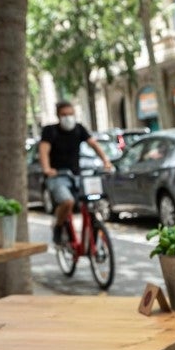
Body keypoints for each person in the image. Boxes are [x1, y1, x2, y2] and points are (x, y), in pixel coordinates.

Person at [39, 101, 113, 245]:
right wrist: (47, 169)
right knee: (68, 202)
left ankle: (93, 231)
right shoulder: (50, 131)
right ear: (58, 116)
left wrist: (106, 161)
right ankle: (58, 228)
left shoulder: (79, 129)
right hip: (57, 176)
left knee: (93, 200)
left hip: (77, 175)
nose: (68, 117)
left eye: (71, 114)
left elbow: (93, 144)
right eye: (64, 115)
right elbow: (43, 151)